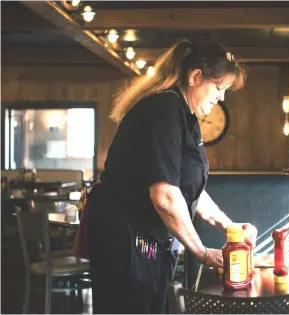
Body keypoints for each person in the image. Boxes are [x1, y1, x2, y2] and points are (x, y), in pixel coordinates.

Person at [85, 38, 249, 314]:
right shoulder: (163, 110)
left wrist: (229, 227)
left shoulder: (185, 116)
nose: (222, 97)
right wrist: (201, 251)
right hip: (124, 241)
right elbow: (164, 196)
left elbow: (187, 188)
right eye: (220, 88)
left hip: (144, 241)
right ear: (196, 76)